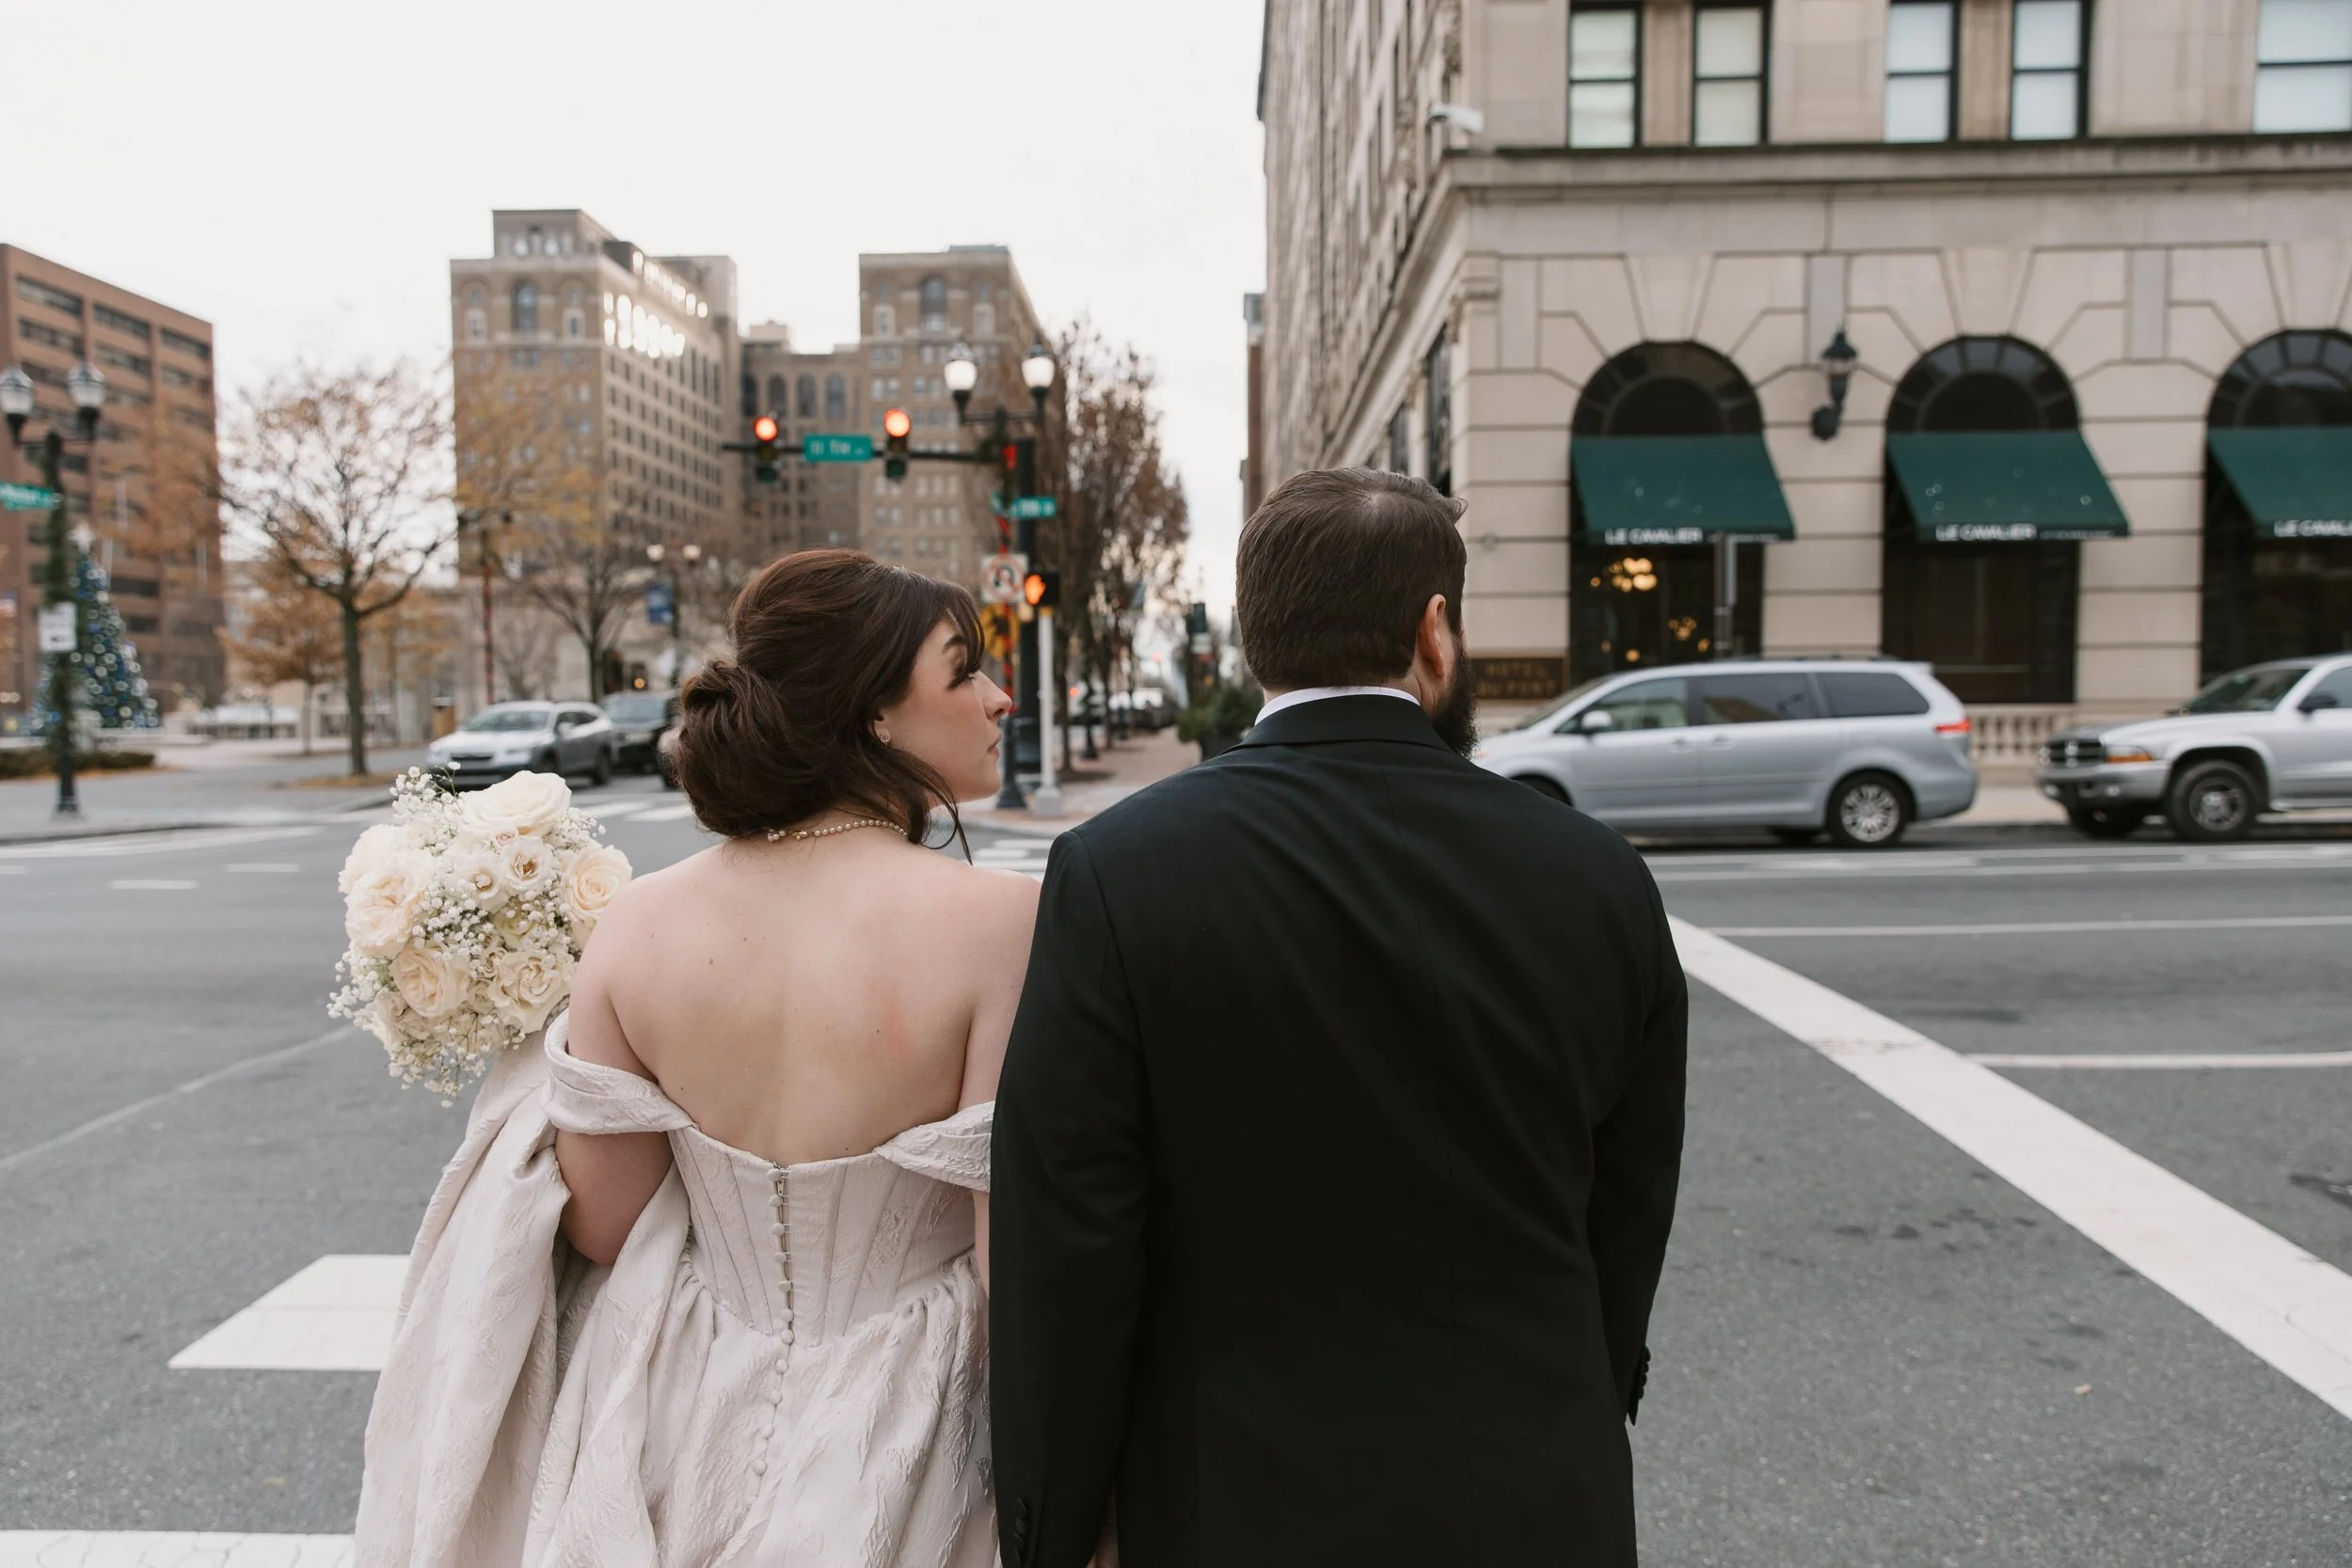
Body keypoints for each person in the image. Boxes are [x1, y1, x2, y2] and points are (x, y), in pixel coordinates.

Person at [990, 467, 1689, 1567]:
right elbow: (1626, 1211)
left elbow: (1069, 1249)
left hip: (1234, 1495)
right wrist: (1573, 1401)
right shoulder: (1598, 876)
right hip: (1534, 1484)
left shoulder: (1120, 871)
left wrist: (1054, 1525)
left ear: (1256, 641)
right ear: (1434, 631)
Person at [356, 550, 1034, 1567]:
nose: (998, 695)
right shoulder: (1002, 922)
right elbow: (1012, 1258)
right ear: (875, 715)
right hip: (919, 1410)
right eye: (963, 671)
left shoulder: (636, 924)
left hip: (676, 1398)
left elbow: (606, 1220)